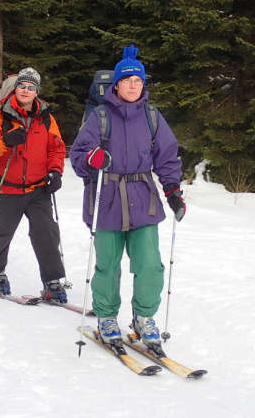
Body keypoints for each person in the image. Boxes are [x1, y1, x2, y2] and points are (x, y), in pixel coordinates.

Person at [69, 45, 186, 347]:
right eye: (127, 81)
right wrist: (92, 159)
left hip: (143, 197)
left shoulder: (152, 116)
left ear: (142, 85)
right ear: (117, 84)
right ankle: (107, 316)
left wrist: (172, 191)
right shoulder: (100, 116)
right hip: (106, 197)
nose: (133, 86)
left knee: (149, 264)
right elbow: (79, 156)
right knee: (108, 264)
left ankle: (143, 317)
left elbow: (167, 157)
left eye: (138, 81)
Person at [0, 67, 68, 303]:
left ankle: (52, 281)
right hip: (6, 187)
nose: (26, 90)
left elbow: (56, 148)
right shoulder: (0, 117)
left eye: (31, 87)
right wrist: (6, 141)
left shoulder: (46, 118)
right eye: (22, 86)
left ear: (37, 92)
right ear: (15, 88)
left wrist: (56, 172)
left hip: (38, 189)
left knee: (46, 232)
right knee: (3, 233)